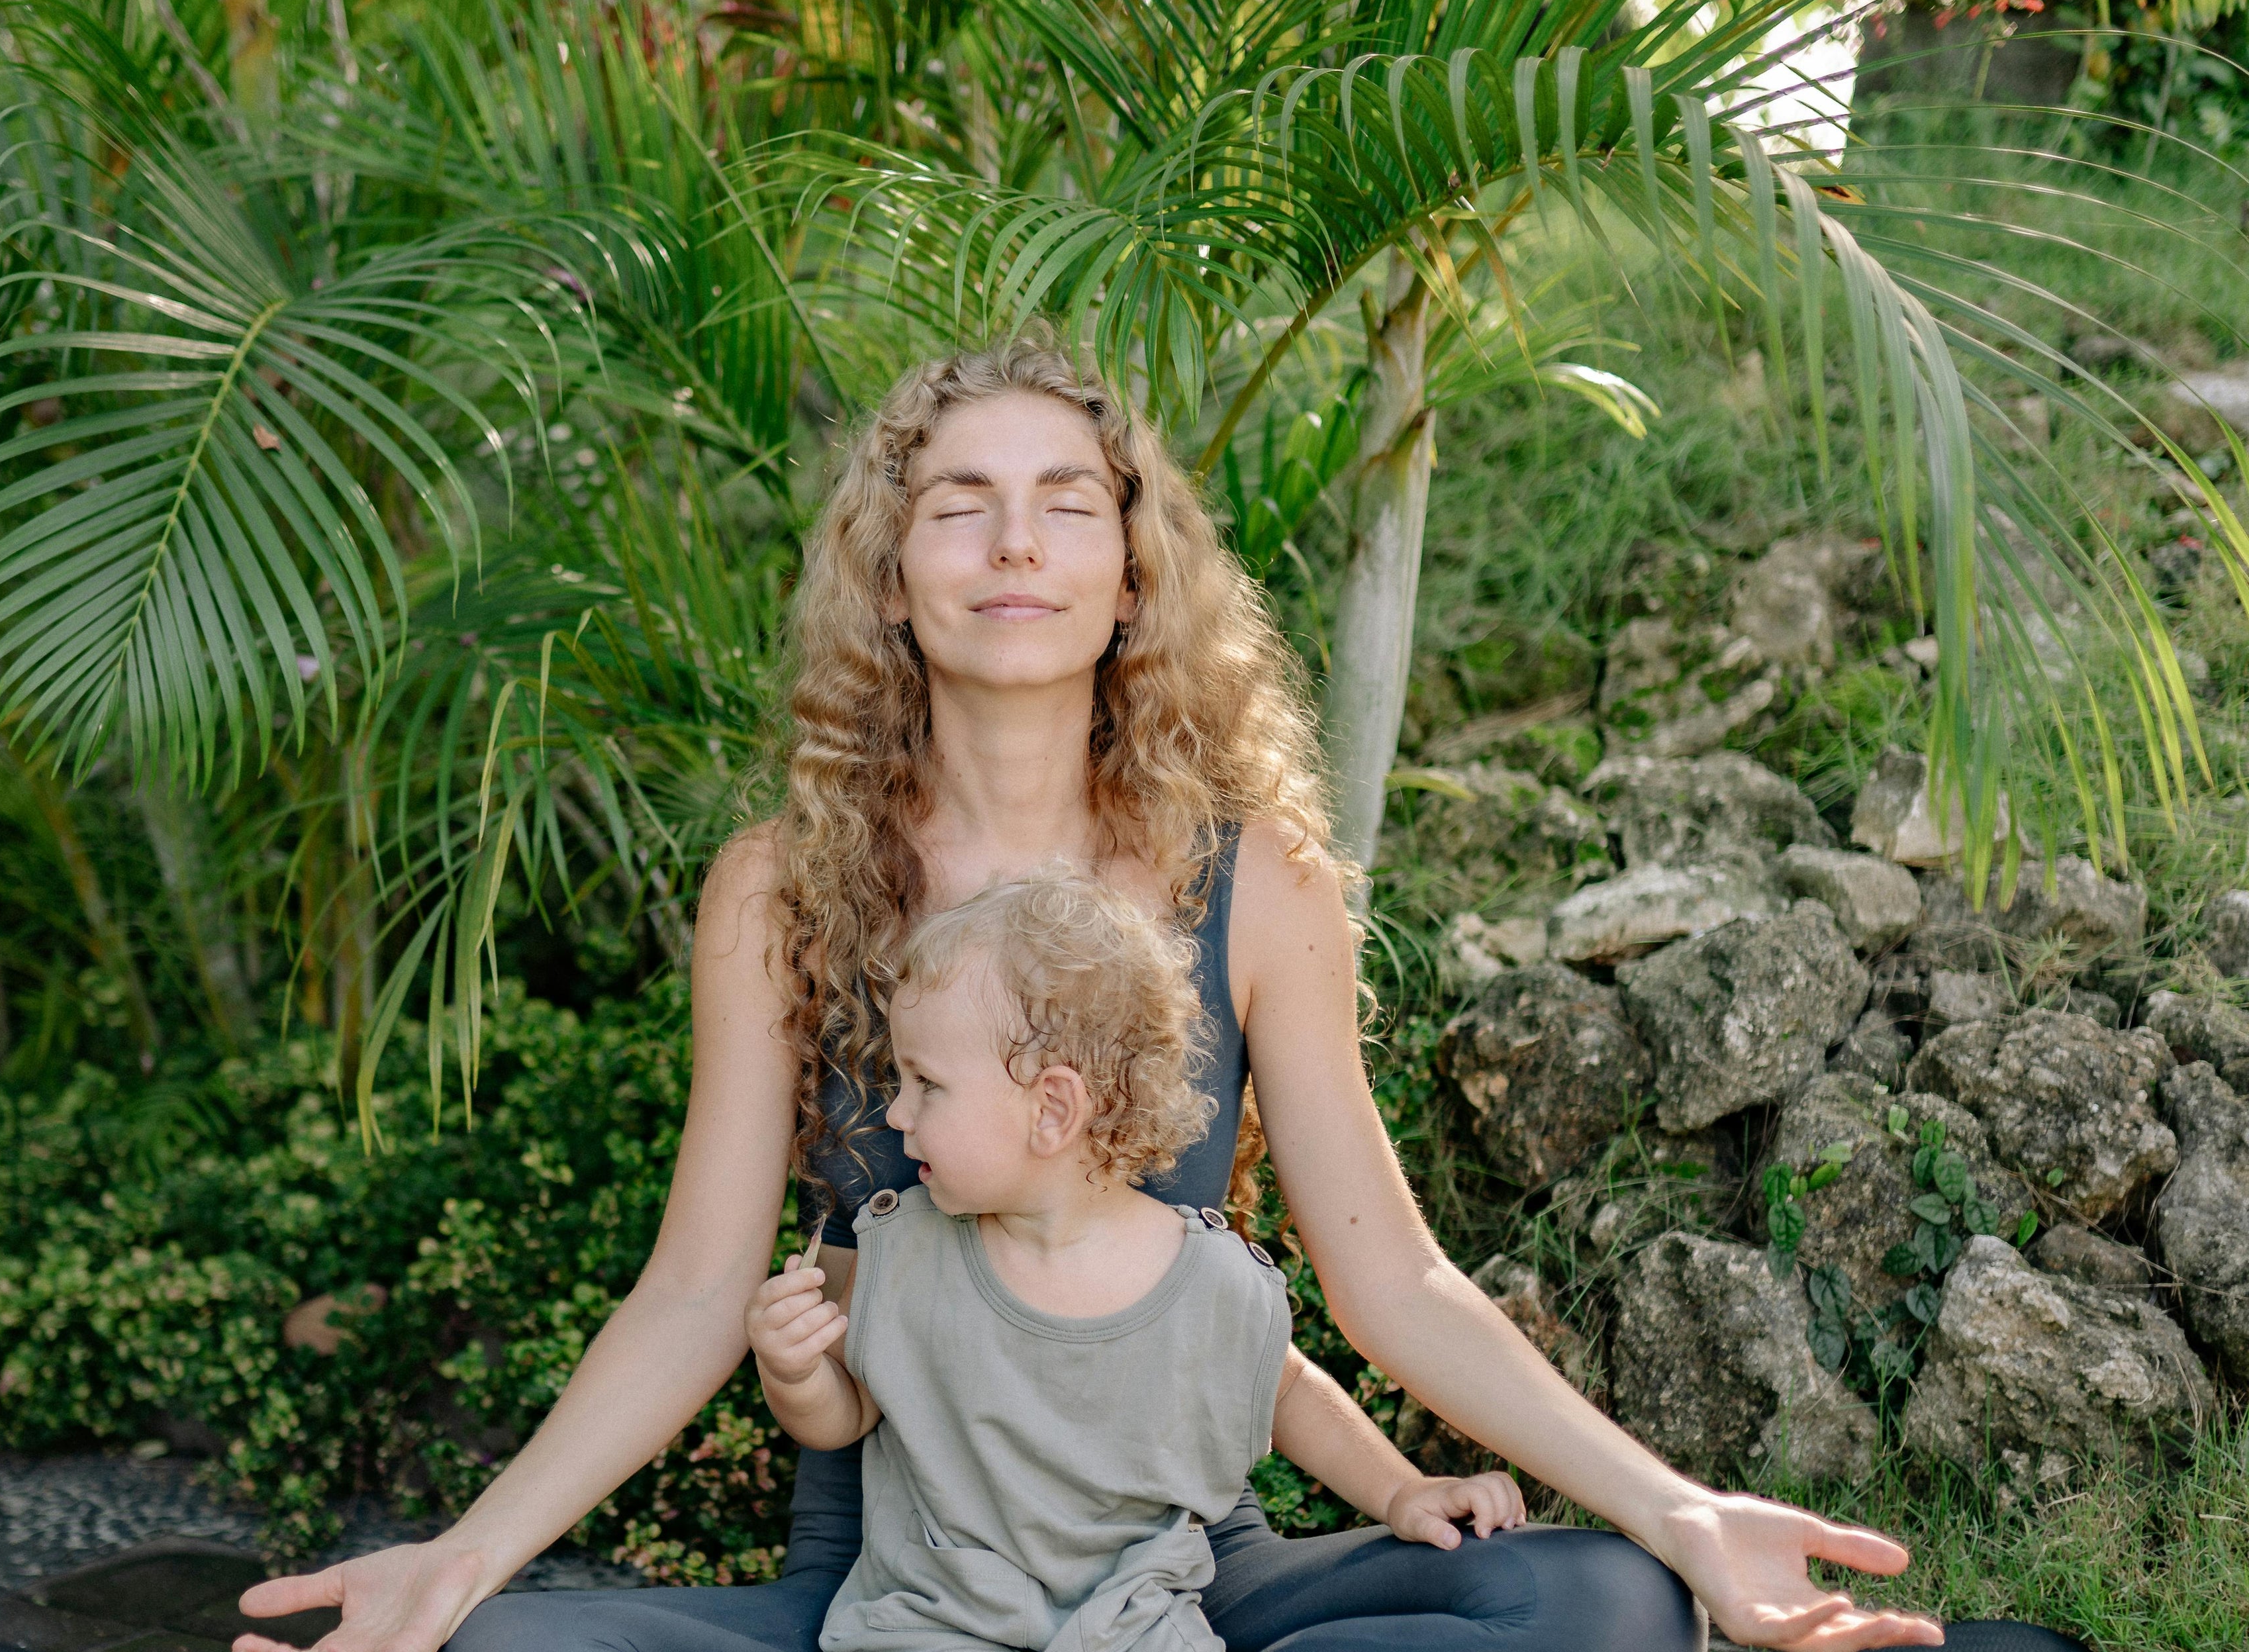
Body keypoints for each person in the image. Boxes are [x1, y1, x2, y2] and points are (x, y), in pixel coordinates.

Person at [236, 334, 2074, 1652]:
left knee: (1590, 1599)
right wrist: (463, 1559)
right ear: (894, 578)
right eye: (960, 509)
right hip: (893, 1584)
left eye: (1063, 504)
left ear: (1131, 574)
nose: (1016, 544)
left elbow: (1393, 1280)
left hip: (1187, 1579)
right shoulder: (775, 892)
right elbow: (699, 1293)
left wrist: (1678, 1508)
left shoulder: (1253, 881)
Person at [745, 869, 1528, 1652]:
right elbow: (846, 1417)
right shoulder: (904, 1249)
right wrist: (795, 1371)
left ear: (1051, 1109)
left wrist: (1403, 1490)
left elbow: (1287, 1391)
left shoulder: (1208, 1279)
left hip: (1134, 1632)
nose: (896, 1113)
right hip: (931, 1628)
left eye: (927, 1084)